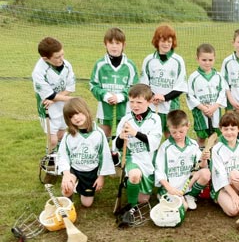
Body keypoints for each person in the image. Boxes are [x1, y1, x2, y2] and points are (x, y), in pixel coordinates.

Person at [58, 97, 116, 207]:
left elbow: (105, 155)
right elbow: (63, 155)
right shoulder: (69, 135)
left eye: (78, 113)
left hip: (91, 171)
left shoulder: (98, 133)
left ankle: (79, 186)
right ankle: (67, 204)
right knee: (67, 188)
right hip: (74, 169)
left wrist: (101, 177)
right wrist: (66, 174)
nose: (75, 118)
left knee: (87, 204)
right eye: (71, 116)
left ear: (86, 111)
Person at [114, 84, 163, 214]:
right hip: (132, 157)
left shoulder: (155, 119)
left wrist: (135, 133)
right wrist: (121, 137)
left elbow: (154, 142)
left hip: (148, 160)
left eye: (139, 102)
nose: (135, 105)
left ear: (149, 101)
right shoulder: (126, 119)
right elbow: (117, 145)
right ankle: (131, 207)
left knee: (144, 200)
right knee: (135, 176)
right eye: (132, 102)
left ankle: (128, 182)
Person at [155, 110, 211, 211]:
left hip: (187, 185)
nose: (178, 135)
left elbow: (202, 166)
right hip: (171, 188)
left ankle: (190, 195)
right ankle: (163, 195)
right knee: (184, 207)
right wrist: (170, 189)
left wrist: (204, 158)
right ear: (169, 128)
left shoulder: (193, 144)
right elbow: (159, 172)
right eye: (174, 132)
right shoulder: (165, 148)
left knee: (206, 173)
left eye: (181, 131)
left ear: (188, 126)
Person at [89, 27, 139, 140]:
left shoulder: (130, 65)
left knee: (123, 138)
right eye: (111, 43)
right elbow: (93, 85)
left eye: (117, 43)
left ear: (123, 45)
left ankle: (120, 157)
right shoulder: (100, 64)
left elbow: (135, 88)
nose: (114, 46)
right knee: (103, 137)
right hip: (104, 108)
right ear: (105, 44)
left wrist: (120, 97)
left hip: (125, 108)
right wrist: (106, 96)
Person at [140, 24, 188, 139]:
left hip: (171, 106)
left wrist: (164, 97)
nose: (166, 44)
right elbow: (144, 84)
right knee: (151, 136)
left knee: (171, 136)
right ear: (157, 41)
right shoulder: (149, 60)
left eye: (169, 41)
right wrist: (152, 96)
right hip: (152, 106)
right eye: (163, 41)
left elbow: (181, 86)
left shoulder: (178, 60)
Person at [32, 37, 75, 152]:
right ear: (45, 58)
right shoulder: (39, 72)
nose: (62, 59)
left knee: (61, 135)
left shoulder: (67, 65)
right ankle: (50, 161)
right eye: (57, 57)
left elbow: (70, 87)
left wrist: (55, 99)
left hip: (62, 106)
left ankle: (61, 160)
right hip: (47, 109)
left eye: (62, 55)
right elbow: (49, 96)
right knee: (53, 140)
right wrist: (71, 99)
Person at [210, 111, 239, 216]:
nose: (229, 132)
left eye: (232, 129)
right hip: (223, 187)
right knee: (233, 211)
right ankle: (233, 198)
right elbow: (220, 176)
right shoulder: (217, 149)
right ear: (220, 129)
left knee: (235, 173)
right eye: (226, 129)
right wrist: (233, 195)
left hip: (237, 183)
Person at [186, 43, 227, 148]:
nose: (207, 63)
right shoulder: (193, 77)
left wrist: (214, 106)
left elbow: (222, 92)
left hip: (215, 111)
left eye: (210, 60)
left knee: (215, 136)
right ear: (197, 59)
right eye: (204, 60)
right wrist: (203, 108)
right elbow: (190, 95)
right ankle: (202, 158)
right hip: (200, 112)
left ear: (214, 59)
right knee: (201, 137)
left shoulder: (218, 76)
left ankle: (214, 157)